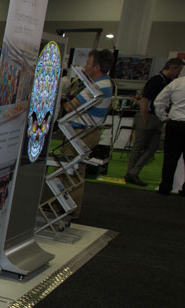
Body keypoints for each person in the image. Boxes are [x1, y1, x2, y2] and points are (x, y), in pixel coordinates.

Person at [60, 49, 114, 216]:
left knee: (73, 171)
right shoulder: (104, 84)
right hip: (84, 132)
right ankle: (65, 205)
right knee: (71, 169)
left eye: (88, 64)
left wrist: (65, 101)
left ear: (96, 67)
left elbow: (70, 106)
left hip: (82, 133)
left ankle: (70, 208)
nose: (85, 67)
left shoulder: (97, 87)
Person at [125, 58, 184, 186]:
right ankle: (130, 173)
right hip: (148, 116)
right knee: (139, 146)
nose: (179, 73)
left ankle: (133, 172)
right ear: (173, 68)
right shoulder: (156, 80)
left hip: (156, 118)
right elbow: (144, 100)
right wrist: (144, 119)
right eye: (178, 70)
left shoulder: (168, 82)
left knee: (153, 147)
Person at [153, 72, 185, 196]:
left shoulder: (177, 82)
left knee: (170, 158)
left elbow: (158, 101)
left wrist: (163, 117)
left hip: (175, 124)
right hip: (177, 123)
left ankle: (165, 187)